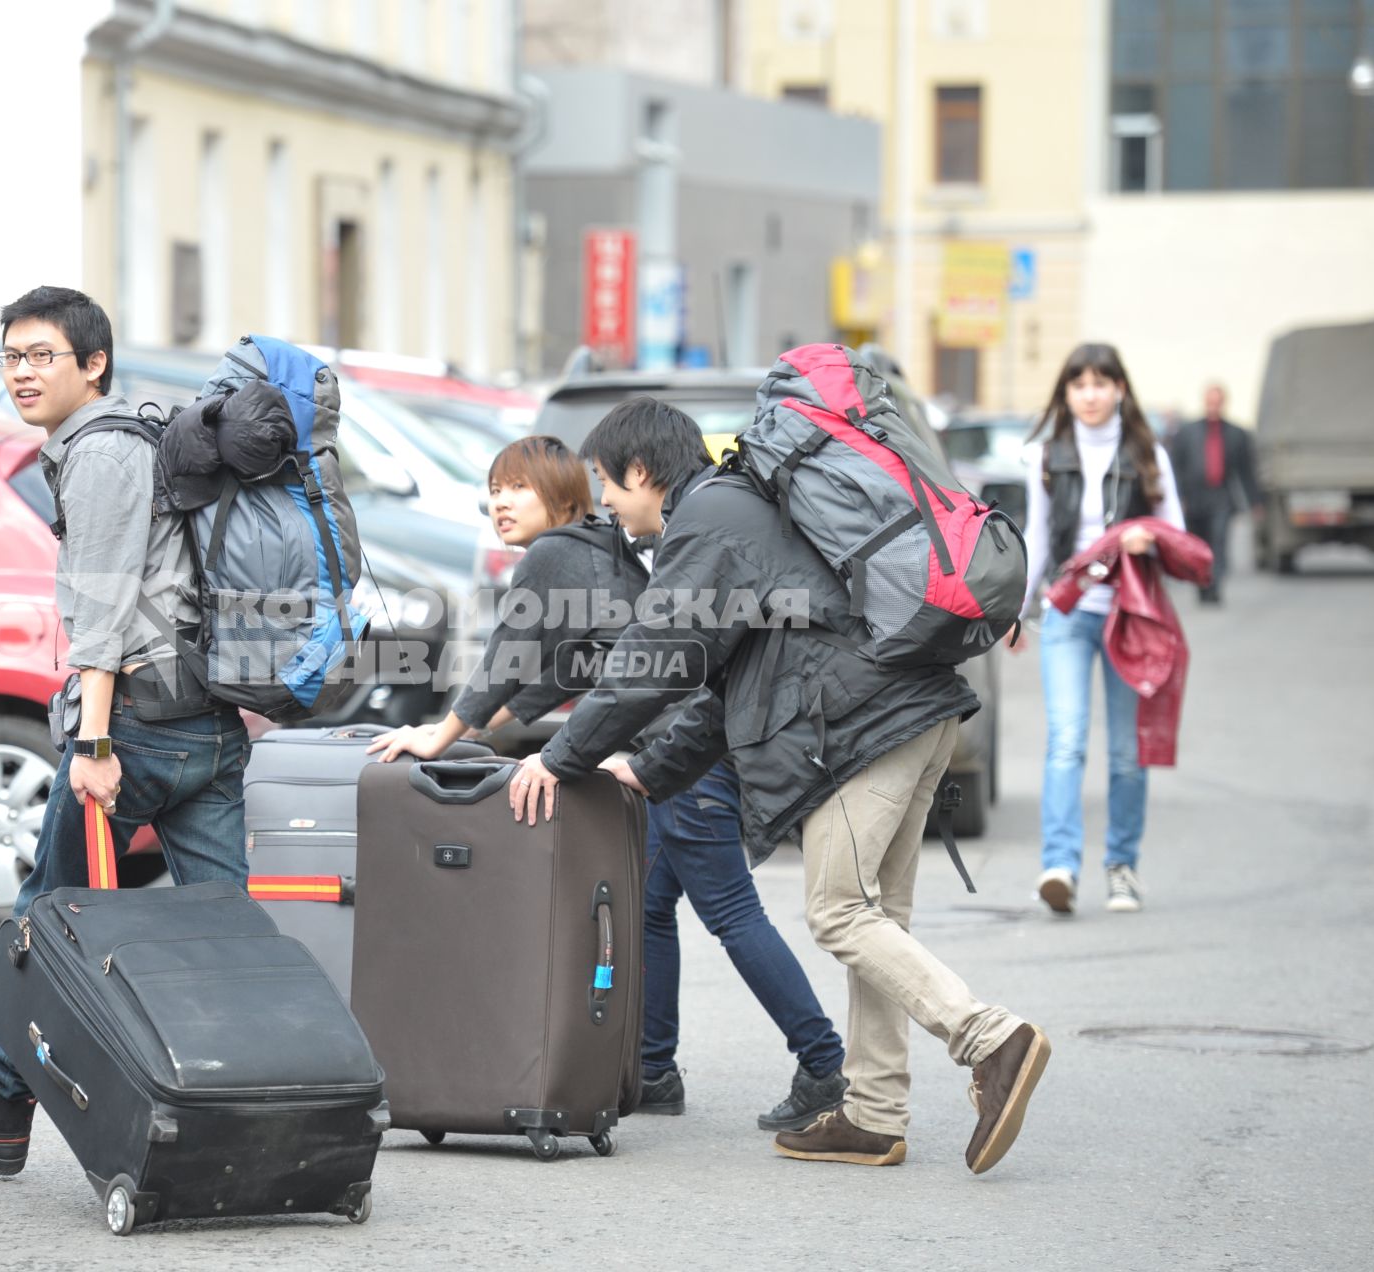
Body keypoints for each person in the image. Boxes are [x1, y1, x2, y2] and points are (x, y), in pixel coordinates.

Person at [511, 400, 1048, 1174]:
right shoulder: (744, 512)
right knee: (877, 920)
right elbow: (728, 683)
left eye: (607, 482)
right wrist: (650, 768)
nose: (609, 505)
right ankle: (873, 1112)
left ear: (641, 471)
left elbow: (658, 655)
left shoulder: (710, 520)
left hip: (863, 726)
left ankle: (990, 1039)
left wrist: (557, 756)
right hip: (914, 713)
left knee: (839, 912)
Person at [369, 421, 847, 1132]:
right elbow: (568, 671)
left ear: (562, 496)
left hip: (679, 755)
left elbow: (506, 656)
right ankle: (653, 1067)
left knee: (732, 913)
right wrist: (482, 730)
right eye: (492, 491)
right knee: (649, 905)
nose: (499, 503)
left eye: (517, 489)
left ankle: (821, 1061)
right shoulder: (599, 551)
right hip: (687, 748)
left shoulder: (553, 557)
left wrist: (440, 734)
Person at [0, 286, 251, 1175]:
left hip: (136, 732)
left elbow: (102, 609)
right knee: (227, 929)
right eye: (10, 356)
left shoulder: (101, 452)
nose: (22, 372)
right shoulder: (148, 436)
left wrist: (92, 746)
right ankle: (244, 1105)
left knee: (49, 919)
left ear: (94, 365)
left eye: (43, 355)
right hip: (208, 724)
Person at [1016, 343, 1185, 916]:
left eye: (1100, 383)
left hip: (1130, 618)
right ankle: (1059, 865)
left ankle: (1122, 867)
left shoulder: (1147, 454)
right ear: (1066, 393)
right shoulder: (1047, 455)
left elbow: (1178, 533)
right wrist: (1015, 613)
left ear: (1119, 389)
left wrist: (1148, 536)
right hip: (1066, 612)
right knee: (1066, 740)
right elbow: (1037, 540)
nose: (1090, 394)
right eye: (1079, 383)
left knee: (1124, 753)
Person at [1167, 383, 1258, 605]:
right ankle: (1202, 584)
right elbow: (1175, 467)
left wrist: (1255, 501)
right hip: (1194, 498)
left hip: (1222, 496)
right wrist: (1178, 498)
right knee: (1198, 545)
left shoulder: (1237, 434)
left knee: (1218, 542)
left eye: (1218, 401)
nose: (1214, 406)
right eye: (1210, 401)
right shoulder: (1187, 432)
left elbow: (1246, 470)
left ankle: (1215, 585)